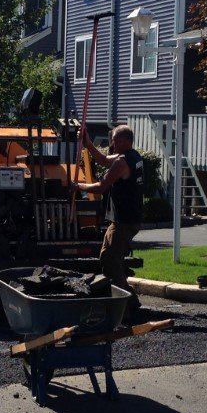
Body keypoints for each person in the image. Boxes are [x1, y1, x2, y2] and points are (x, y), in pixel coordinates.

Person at [74, 124, 145, 315]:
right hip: (125, 219)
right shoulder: (133, 156)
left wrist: (79, 187)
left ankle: (129, 304)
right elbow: (104, 159)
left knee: (110, 260)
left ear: (122, 141)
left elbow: (101, 187)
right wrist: (88, 143)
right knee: (109, 257)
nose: (111, 143)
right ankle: (121, 300)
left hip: (124, 221)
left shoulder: (122, 162)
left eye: (113, 140)